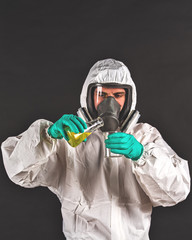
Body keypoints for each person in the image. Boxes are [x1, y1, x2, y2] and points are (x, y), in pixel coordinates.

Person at [1, 59, 190, 240]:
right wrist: (47, 136)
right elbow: (18, 171)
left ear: (129, 98)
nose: (110, 104)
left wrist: (143, 155)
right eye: (102, 95)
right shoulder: (69, 140)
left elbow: (177, 191)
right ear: (89, 97)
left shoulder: (144, 136)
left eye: (117, 95)